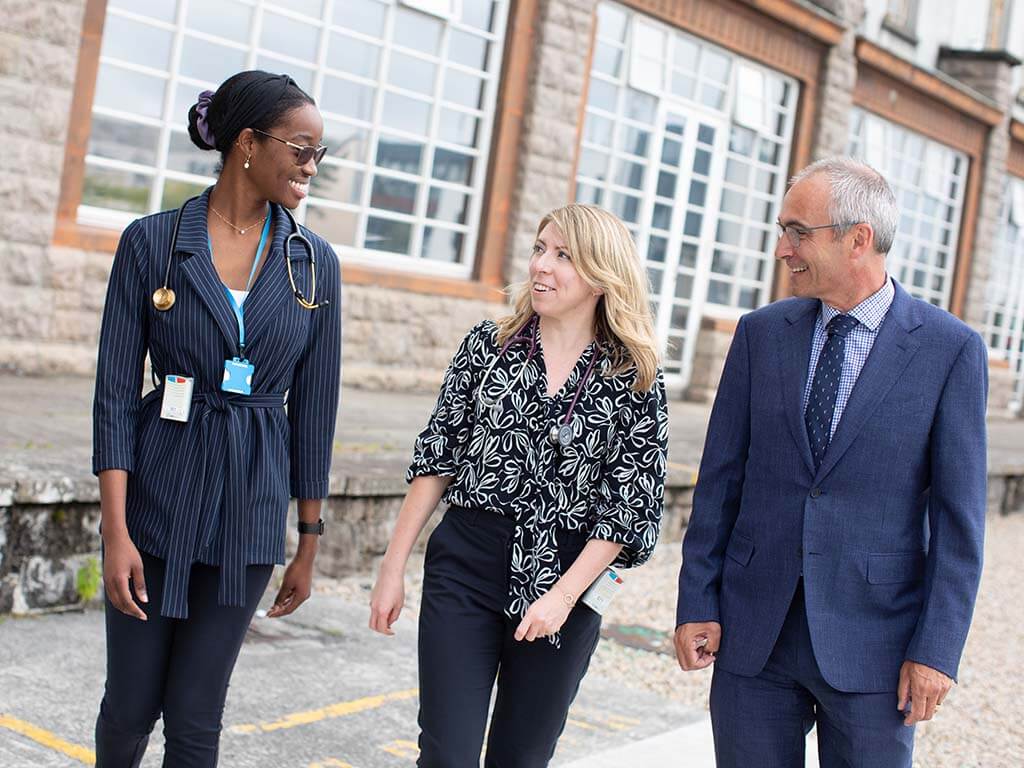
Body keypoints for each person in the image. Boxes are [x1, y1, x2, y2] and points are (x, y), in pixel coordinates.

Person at [674, 157, 988, 767]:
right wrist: (697, 600)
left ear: (858, 239)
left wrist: (937, 651)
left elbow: (959, 523)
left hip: (876, 646)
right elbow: (720, 481)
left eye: (798, 232)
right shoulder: (761, 334)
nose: (782, 249)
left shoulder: (950, 351)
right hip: (753, 633)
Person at [91, 70, 341, 767]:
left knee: (198, 719)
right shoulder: (151, 243)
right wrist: (115, 532)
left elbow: (315, 413)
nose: (310, 167)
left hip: (248, 514)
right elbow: (114, 396)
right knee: (130, 705)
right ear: (247, 145)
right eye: (300, 148)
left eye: (320, 154)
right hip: (155, 499)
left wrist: (309, 539)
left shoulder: (315, 265)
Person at [369, 204, 668, 766]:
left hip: (566, 576)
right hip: (467, 563)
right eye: (539, 249)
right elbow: (437, 456)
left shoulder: (634, 375)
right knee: (445, 753)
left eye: (563, 256)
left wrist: (562, 597)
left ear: (602, 277)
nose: (541, 267)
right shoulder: (487, 346)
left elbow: (629, 508)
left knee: (521, 757)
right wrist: (392, 567)